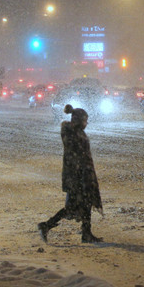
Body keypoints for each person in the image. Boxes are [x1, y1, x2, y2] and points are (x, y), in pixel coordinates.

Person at [38, 104, 104, 243]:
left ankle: (86, 233)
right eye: (84, 121)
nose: (86, 124)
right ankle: (46, 225)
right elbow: (76, 155)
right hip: (76, 175)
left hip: (83, 174)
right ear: (79, 120)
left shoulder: (77, 131)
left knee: (86, 202)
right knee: (74, 206)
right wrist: (82, 172)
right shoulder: (71, 132)